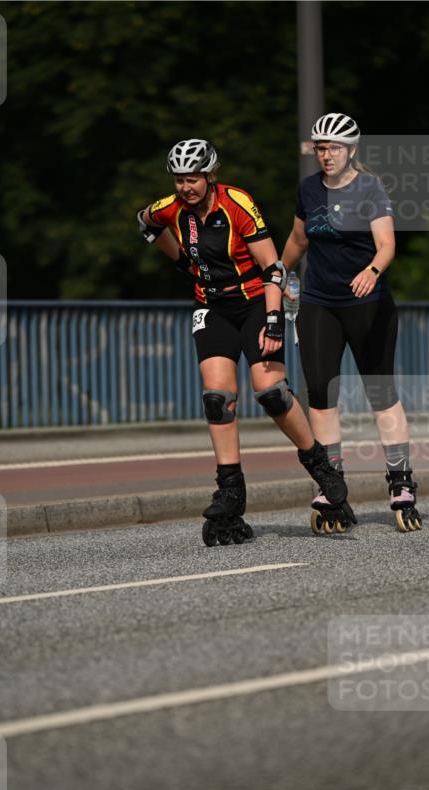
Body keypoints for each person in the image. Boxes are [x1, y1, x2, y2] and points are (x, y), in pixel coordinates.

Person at [137, 138, 356, 545]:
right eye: (180, 179)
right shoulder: (172, 208)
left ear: (210, 176)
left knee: (271, 393)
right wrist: (183, 262)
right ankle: (230, 493)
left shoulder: (236, 203)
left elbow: (273, 268)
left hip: (255, 302)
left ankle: (321, 466)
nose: (186, 187)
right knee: (217, 400)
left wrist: (273, 321)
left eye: (193, 179)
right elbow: (146, 223)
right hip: (213, 308)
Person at [281, 113, 422, 532]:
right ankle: (331, 484)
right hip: (319, 303)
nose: (327, 155)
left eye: (335, 148)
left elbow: (387, 244)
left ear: (351, 150)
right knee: (321, 396)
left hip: (367, 302)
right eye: (321, 148)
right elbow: (299, 240)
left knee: (381, 392)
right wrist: (277, 273)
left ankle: (401, 482)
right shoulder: (308, 189)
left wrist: (373, 271)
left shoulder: (370, 188)